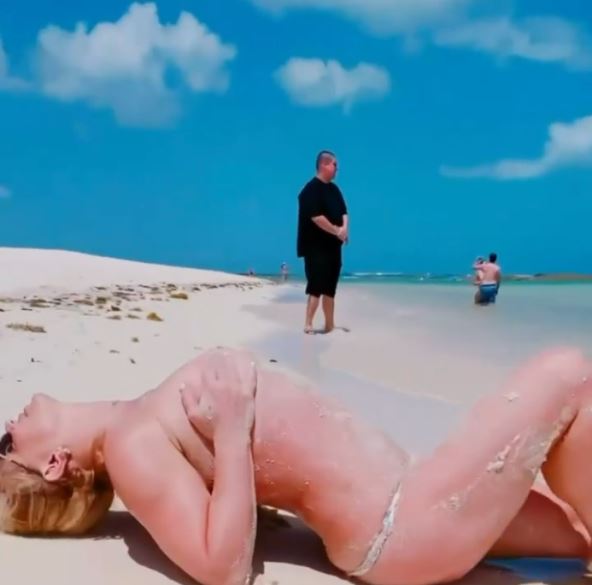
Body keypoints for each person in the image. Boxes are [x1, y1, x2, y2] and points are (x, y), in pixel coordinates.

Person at [2, 346, 592, 585]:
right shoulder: (130, 446)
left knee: (577, 529)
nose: (9, 421)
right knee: (569, 374)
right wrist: (231, 429)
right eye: (6, 444)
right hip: (400, 526)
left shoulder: (135, 420)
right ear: (52, 465)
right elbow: (221, 568)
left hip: (417, 491)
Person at [296, 150, 349, 334]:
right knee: (316, 286)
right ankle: (308, 323)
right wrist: (337, 231)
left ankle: (329, 324)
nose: (336, 169)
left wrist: (344, 229)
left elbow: (344, 212)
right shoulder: (310, 190)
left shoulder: (334, 190)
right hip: (314, 247)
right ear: (324, 165)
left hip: (333, 246)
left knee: (330, 288)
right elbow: (316, 217)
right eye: (335, 165)